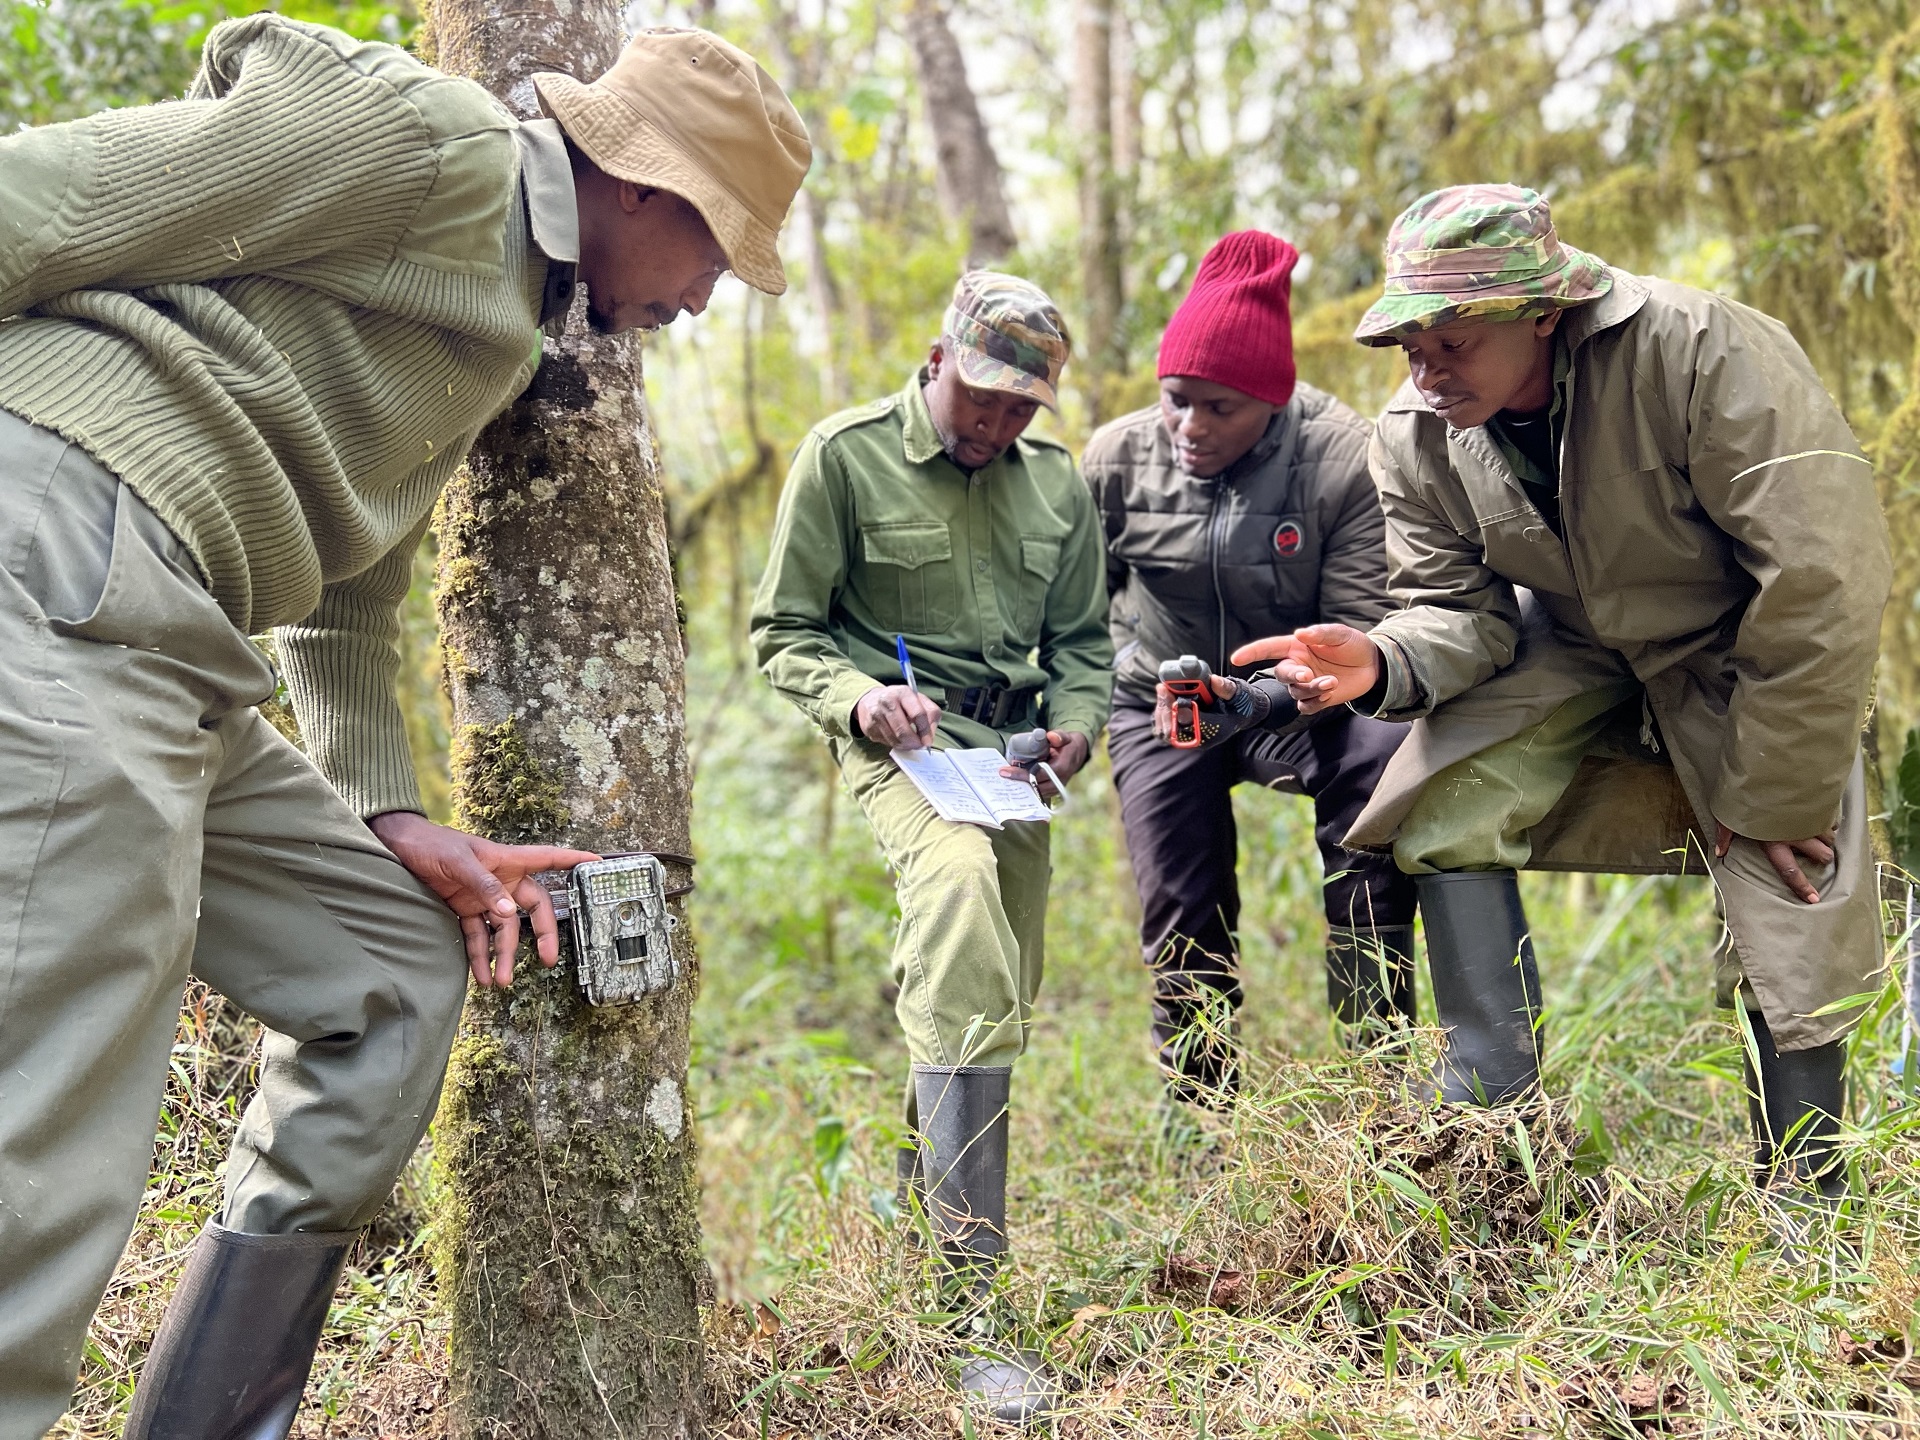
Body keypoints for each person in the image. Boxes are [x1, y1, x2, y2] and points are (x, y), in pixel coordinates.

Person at [0, 18, 808, 1438]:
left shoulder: (501, 323)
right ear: (641, 185)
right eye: (717, 255)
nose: (705, 299)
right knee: (45, 1108)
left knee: (385, 975)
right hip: (57, 552)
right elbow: (49, 199)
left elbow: (345, 599)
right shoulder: (434, 150)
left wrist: (388, 814)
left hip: (182, 637)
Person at [1251, 185, 1890, 1208]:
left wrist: (1773, 789)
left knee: (1796, 876)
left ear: (1544, 311)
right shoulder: (1416, 433)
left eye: (1453, 340)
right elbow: (1459, 614)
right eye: (1409, 344)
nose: (1426, 370)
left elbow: (1823, 580)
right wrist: (1379, 660)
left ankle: (1806, 1204)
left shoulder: (1702, 352)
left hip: (1744, 642)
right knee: (1442, 800)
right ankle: (1495, 1143)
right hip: (1579, 641)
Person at [750, 271, 1111, 1425]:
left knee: (994, 982)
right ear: (938, 357)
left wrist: (1079, 726)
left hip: (1011, 761)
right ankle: (972, 1316)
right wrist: (859, 700)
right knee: (955, 898)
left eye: (1021, 409)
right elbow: (783, 632)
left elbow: (1086, 645)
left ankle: (919, 1241)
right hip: (902, 749)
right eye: (983, 397)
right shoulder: (845, 457)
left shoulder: (1055, 487)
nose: (996, 425)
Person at [1082, 230, 1417, 1113]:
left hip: (1311, 693)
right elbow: (1078, 615)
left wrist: (1265, 696)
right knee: (1180, 905)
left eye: (1219, 409)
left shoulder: (1345, 457)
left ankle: (1377, 1086)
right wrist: (1126, 681)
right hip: (1165, 699)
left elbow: (1362, 626)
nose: (1189, 427)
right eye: (1175, 400)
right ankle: (1203, 1123)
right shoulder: (1115, 461)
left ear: (1272, 400)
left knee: (1378, 804)